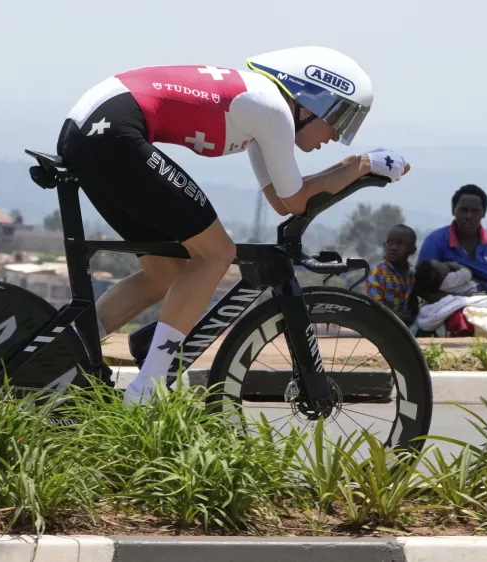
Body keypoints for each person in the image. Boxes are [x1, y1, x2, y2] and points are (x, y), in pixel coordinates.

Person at [55, 46, 412, 403]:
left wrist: (355, 167)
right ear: (309, 101)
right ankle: (147, 387)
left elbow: (283, 201)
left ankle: (57, 355)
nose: (336, 133)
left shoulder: (265, 115)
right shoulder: (272, 110)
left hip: (91, 130)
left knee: (164, 271)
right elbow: (297, 199)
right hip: (111, 131)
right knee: (216, 253)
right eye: (339, 117)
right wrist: (361, 164)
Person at [416, 184, 487, 285]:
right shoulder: (435, 240)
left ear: (484, 213)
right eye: (463, 210)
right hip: (445, 298)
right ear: (453, 211)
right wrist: (454, 300)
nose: (469, 216)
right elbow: (422, 283)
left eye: (475, 211)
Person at [365, 224, 418, 325]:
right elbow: (376, 306)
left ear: (413, 250)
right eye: (390, 242)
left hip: (404, 326)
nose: (393, 248)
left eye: (400, 244)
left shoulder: (411, 274)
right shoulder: (378, 272)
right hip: (381, 324)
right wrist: (399, 318)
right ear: (384, 246)